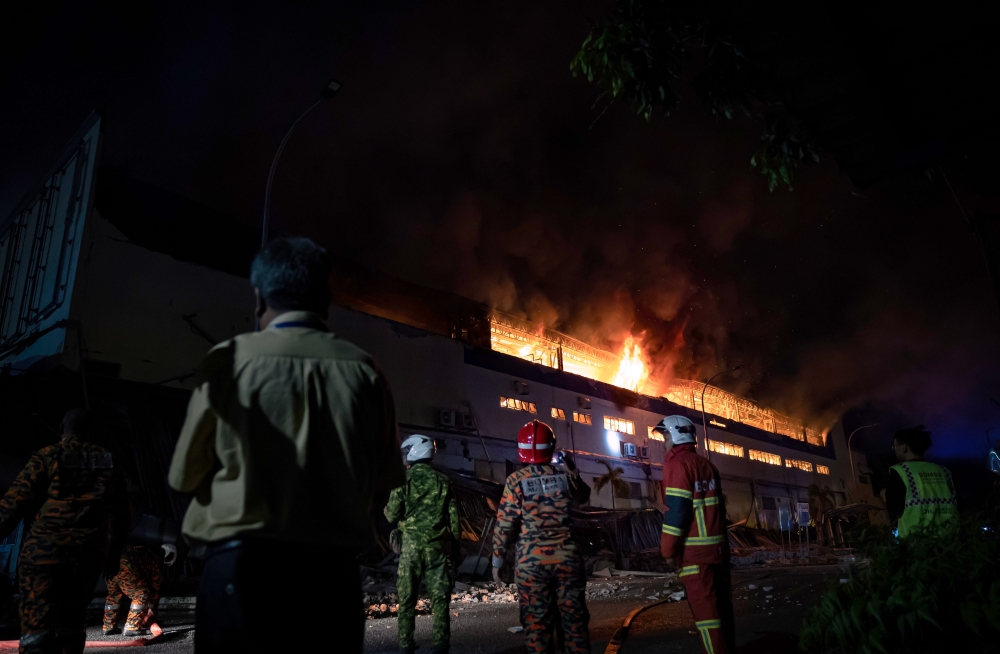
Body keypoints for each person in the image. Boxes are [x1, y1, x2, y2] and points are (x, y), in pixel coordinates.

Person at [167, 236, 405, 653]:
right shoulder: (364, 370)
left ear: (259, 298)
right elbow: (386, 477)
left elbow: (184, 475)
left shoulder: (228, 360)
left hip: (239, 570)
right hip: (329, 576)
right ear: (326, 299)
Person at [0, 408, 127, 654]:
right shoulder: (109, 461)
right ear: (89, 432)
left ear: (61, 428)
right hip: (88, 556)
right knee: (72, 621)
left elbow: (13, 504)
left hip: (45, 553)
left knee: (38, 623)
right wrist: (114, 555)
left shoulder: (47, 455)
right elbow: (123, 515)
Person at [491, 420, 591, 654]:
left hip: (531, 565)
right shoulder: (565, 478)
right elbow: (584, 496)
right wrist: (573, 470)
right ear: (552, 447)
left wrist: (497, 561)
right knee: (574, 625)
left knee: (537, 627)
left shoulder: (516, 481)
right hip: (567, 561)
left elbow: (505, 524)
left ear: (520, 449)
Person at [655, 415, 735, 654]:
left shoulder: (678, 465)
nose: (663, 442)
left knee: (708, 619)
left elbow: (677, 512)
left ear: (677, 435)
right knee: (722, 613)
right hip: (718, 552)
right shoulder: (707, 465)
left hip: (695, 555)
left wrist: (668, 550)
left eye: (665, 436)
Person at [384, 434, 460, 654]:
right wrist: (455, 549)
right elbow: (454, 520)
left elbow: (391, 516)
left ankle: (406, 645)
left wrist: (388, 511)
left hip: (410, 551)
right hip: (436, 550)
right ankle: (440, 645)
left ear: (413, 452)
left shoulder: (402, 480)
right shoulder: (443, 481)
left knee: (407, 600)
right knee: (440, 600)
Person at [885, 426, 958, 537]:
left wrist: (883, 497)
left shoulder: (899, 472)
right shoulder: (944, 471)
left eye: (894, 446)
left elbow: (895, 509)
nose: (894, 449)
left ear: (904, 447)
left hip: (917, 543)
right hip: (950, 541)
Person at [103, 543, 171, 636]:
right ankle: (132, 627)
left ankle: (108, 627)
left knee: (114, 596)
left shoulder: (143, 551)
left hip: (111, 567)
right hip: (126, 567)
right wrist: (151, 606)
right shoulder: (157, 558)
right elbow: (156, 584)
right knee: (141, 594)